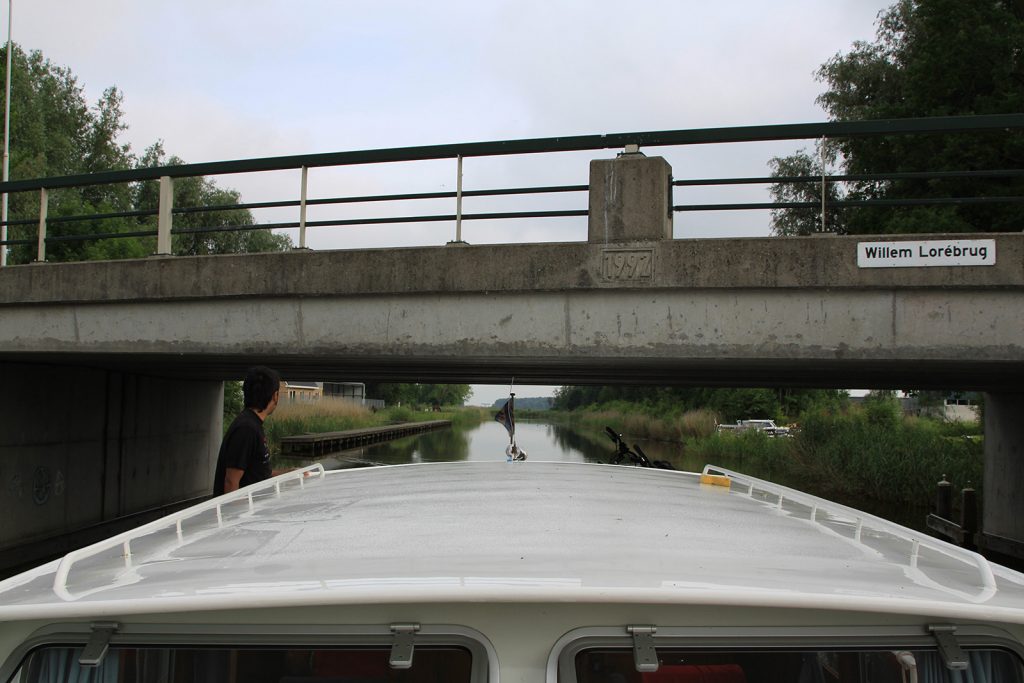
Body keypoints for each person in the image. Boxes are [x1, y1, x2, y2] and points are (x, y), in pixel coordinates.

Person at [213, 366, 281, 495]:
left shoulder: (252, 424)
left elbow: (259, 474)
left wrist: (292, 473)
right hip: (239, 513)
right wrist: (239, 514)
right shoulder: (246, 429)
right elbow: (231, 482)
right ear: (275, 396)